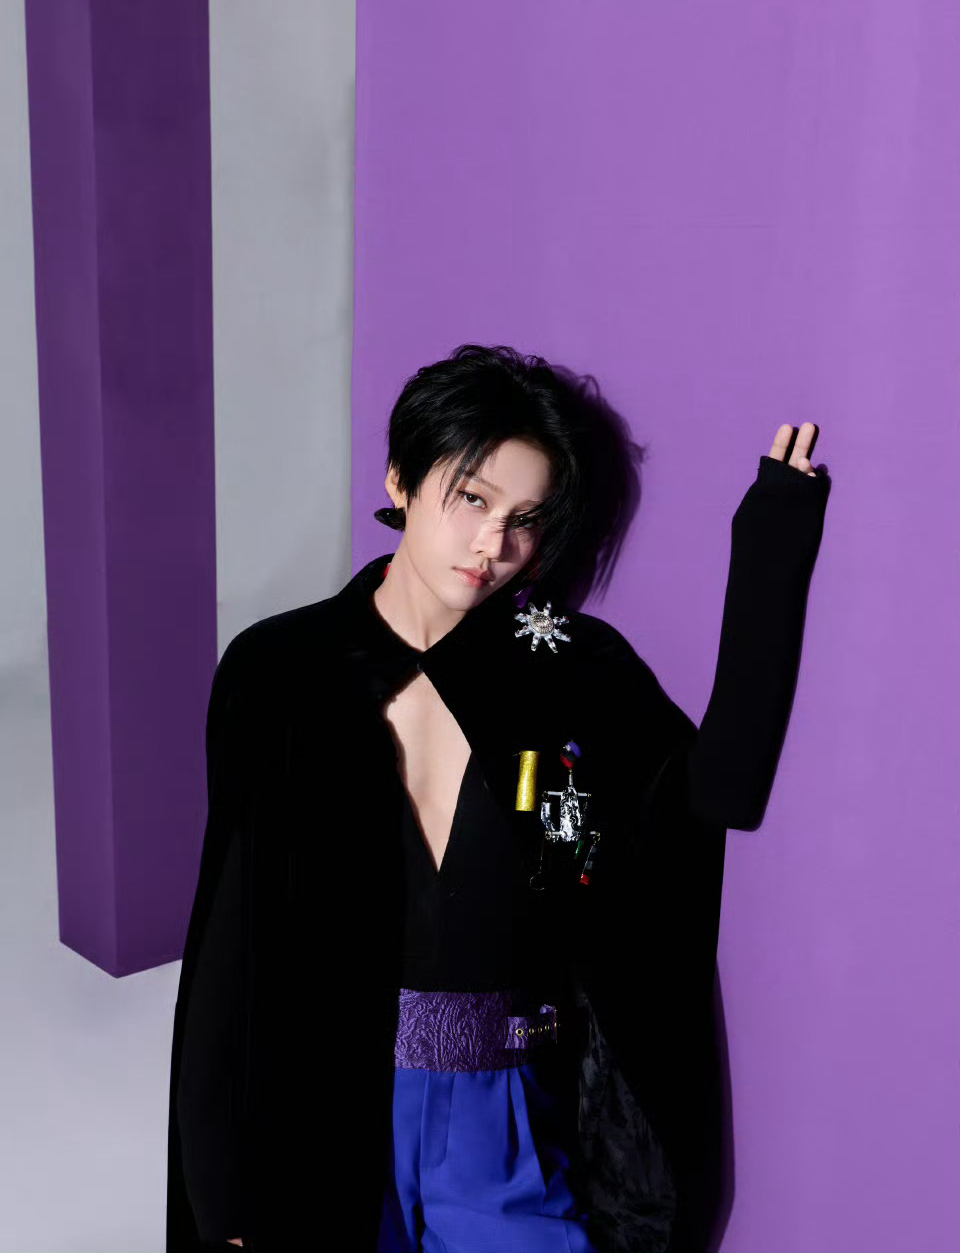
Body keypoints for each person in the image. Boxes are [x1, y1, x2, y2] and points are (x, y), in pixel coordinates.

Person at [165, 343, 830, 1253]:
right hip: (317, 1115)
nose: (494, 546)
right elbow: (233, 947)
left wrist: (772, 546)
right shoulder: (281, 670)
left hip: (503, 1115)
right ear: (400, 479)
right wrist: (223, 1203)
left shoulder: (570, 671)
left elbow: (719, 793)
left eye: (526, 519)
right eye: (473, 499)